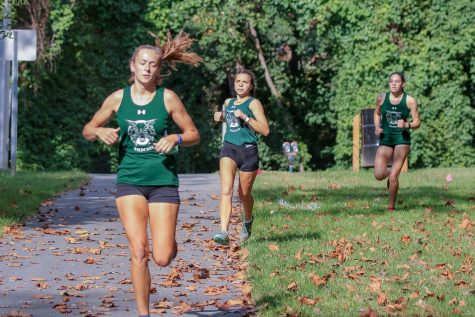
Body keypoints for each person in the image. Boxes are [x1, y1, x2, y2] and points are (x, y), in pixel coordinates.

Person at [82, 31, 201, 317]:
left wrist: (176, 139)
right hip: (129, 180)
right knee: (139, 251)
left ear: (158, 70)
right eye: (143, 63)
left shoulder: (168, 98)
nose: (148, 68)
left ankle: (169, 243)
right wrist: (99, 131)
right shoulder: (117, 99)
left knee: (161, 257)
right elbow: (87, 130)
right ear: (132, 66)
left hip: (163, 182)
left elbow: (194, 134)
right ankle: (143, 313)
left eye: (153, 64)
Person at [212, 69, 270, 245]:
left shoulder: (254, 104)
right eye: (238, 81)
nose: (240, 84)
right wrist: (221, 117)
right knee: (226, 190)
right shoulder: (228, 102)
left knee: (243, 195)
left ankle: (248, 219)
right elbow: (231, 122)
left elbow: (265, 130)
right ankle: (223, 232)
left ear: (251, 86)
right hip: (229, 148)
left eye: (245, 82)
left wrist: (245, 117)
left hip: (248, 151)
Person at [374, 72, 420, 211]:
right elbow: (376, 113)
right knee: (379, 175)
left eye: (397, 81)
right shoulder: (382, 98)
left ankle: (391, 207)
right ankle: (391, 176)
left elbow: (417, 122)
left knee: (394, 176)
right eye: (391, 81)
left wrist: (408, 125)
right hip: (386, 139)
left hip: (402, 139)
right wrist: (377, 126)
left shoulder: (410, 100)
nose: (393, 84)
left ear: (403, 84)